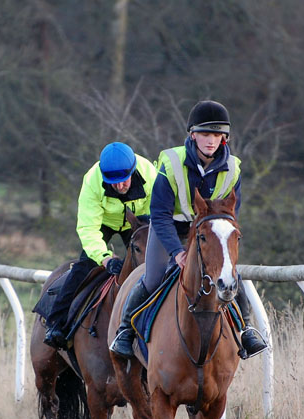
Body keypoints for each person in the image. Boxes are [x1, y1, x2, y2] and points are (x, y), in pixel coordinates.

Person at [110, 100, 267, 359]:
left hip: (208, 232)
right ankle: (125, 330)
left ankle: (247, 329)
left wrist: (221, 244)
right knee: (152, 278)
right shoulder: (171, 163)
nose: (210, 140)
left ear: (224, 138)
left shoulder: (233, 169)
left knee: (229, 276)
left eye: (217, 135)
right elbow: (159, 215)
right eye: (205, 134)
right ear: (192, 135)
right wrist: (176, 251)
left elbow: (230, 215)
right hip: (168, 230)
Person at [42, 142, 157, 349]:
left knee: (155, 263)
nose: (120, 187)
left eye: (124, 181)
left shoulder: (150, 173)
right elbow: (88, 228)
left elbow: (157, 211)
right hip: (103, 222)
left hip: (140, 221)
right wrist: (104, 258)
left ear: (133, 171)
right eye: (113, 183)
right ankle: (56, 323)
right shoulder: (92, 180)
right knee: (82, 268)